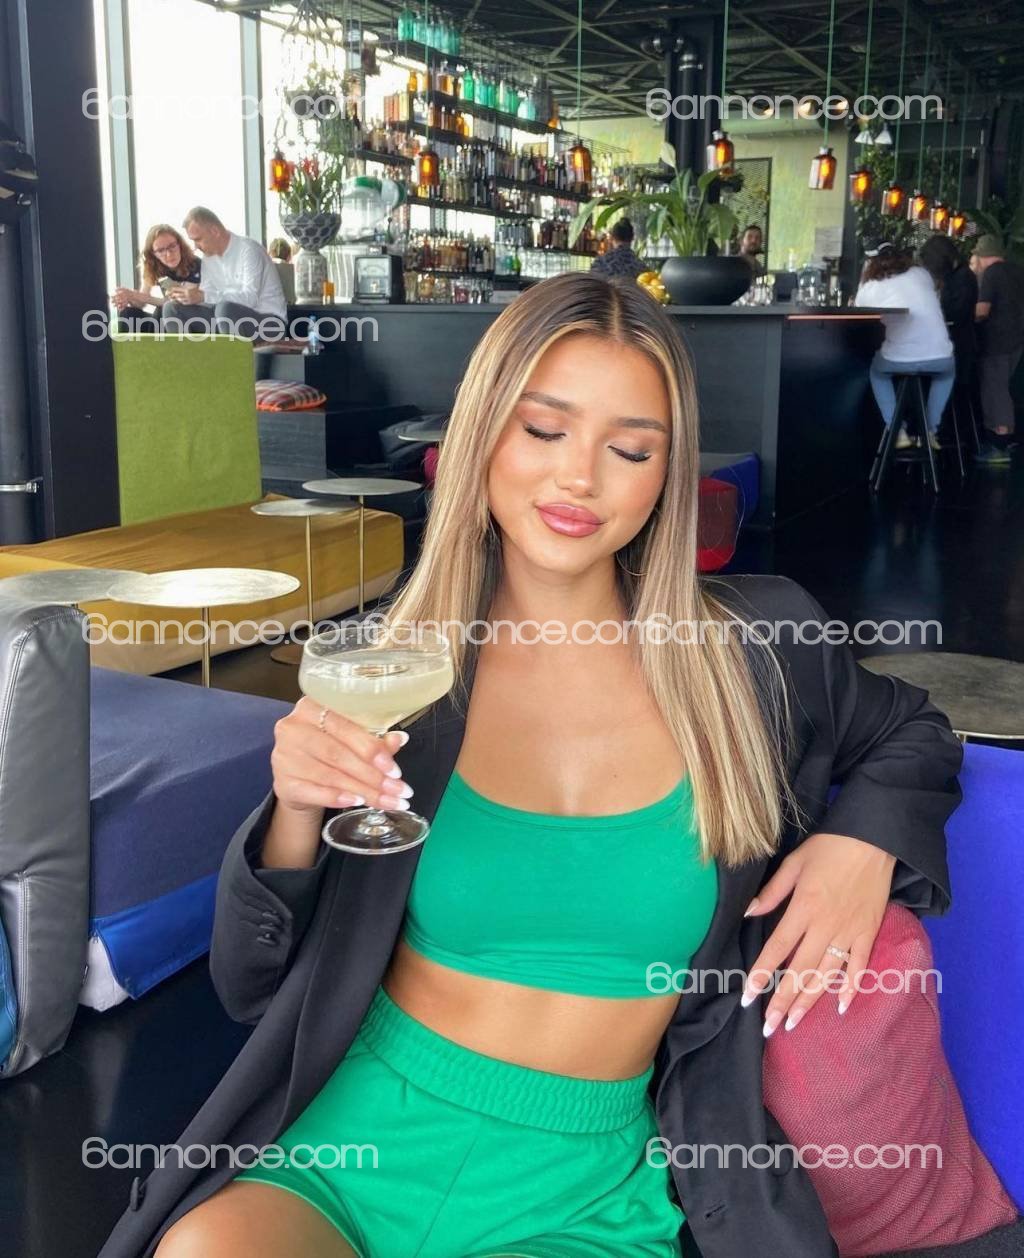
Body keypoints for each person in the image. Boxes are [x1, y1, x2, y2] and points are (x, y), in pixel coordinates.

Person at [102, 272, 978, 1258]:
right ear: (482, 436)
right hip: (353, 1145)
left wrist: (859, 846)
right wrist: (295, 812)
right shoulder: (405, 667)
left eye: (630, 448)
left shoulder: (753, 649)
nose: (579, 479)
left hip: (585, 1190)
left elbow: (914, 731)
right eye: (544, 430)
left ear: (667, 474)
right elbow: (249, 984)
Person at [854, 239, 956, 451]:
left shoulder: (870, 287)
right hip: (940, 357)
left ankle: (897, 430)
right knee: (946, 373)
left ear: (870, 263)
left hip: (898, 359)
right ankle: (929, 431)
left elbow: (858, 309)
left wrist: (864, 278)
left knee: (877, 372)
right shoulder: (921, 274)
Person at [161, 207, 287, 340]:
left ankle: (230, 354)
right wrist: (187, 297)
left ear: (215, 231)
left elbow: (250, 299)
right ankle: (188, 354)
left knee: (225, 309)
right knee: (171, 308)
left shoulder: (249, 250)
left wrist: (203, 296)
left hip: (269, 322)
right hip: (225, 319)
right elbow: (208, 297)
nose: (196, 246)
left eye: (198, 239)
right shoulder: (208, 258)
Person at [918, 233, 979, 446]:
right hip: (958, 348)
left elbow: (956, 314)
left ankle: (928, 431)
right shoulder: (961, 276)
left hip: (957, 350)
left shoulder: (962, 278)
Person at [970, 234, 1024, 465]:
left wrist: (966, 316)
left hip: (996, 340)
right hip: (1017, 340)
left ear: (982, 255)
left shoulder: (991, 274)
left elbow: (982, 310)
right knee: (1003, 387)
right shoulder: (1016, 271)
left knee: (995, 389)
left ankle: (999, 443)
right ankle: (1007, 437)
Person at [110, 224, 200, 331]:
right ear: (153, 254)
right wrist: (128, 298)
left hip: (191, 318)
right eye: (161, 250)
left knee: (162, 310)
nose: (169, 254)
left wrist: (134, 295)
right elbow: (141, 303)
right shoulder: (153, 267)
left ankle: (155, 342)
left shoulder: (194, 264)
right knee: (128, 314)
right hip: (167, 317)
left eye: (172, 246)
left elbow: (177, 303)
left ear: (180, 245)